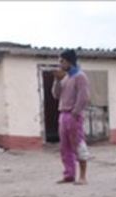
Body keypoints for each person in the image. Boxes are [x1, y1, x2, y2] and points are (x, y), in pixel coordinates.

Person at [51, 49, 91, 185]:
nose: (60, 64)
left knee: (78, 144)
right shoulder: (66, 78)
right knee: (65, 147)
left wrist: (75, 112)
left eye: (62, 61)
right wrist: (57, 81)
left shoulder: (80, 77)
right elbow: (56, 95)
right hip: (63, 114)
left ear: (69, 62)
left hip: (73, 114)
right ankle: (69, 174)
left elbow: (83, 97)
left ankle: (83, 176)